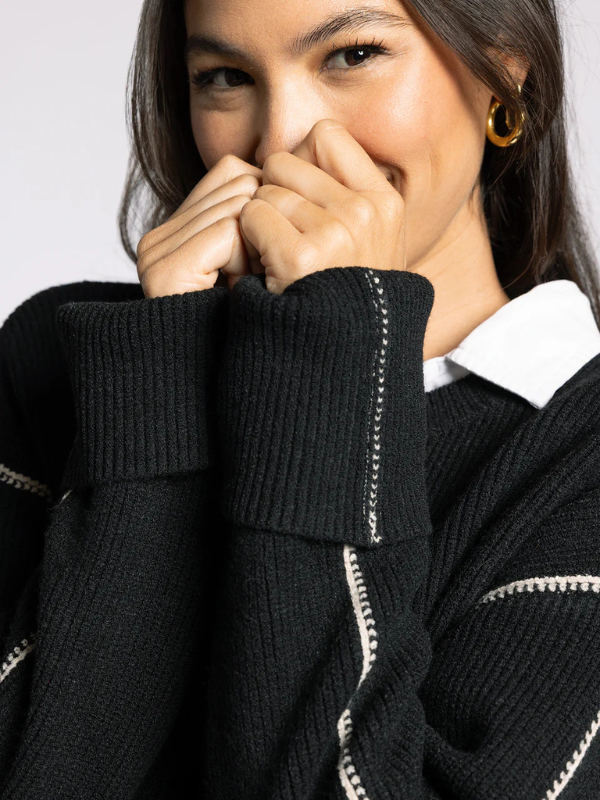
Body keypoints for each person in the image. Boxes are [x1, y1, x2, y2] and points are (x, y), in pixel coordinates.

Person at [1, 0, 600, 795]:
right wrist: (157, 397)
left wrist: (337, 358)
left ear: (502, 72)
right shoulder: (70, 363)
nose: (281, 138)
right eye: (225, 77)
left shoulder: (578, 462)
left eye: (351, 56)